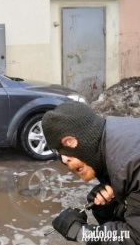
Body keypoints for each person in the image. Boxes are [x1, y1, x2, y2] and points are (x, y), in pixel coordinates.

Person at [41, 101, 140, 244]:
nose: (64, 158)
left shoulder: (132, 165)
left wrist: (82, 233)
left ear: (89, 134)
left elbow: (136, 238)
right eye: (57, 151)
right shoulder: (114, 143)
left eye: (68, 142)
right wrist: (110, 209)